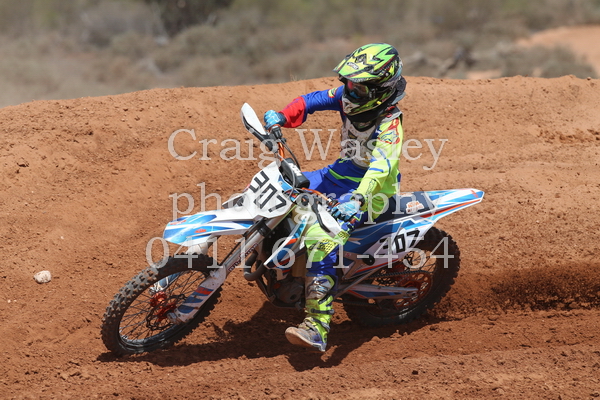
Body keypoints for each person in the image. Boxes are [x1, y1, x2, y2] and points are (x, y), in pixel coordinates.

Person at [263, 43, 406, 352]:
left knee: (322, 239)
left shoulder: (390, 124)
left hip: (372, 193)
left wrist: (357, 200)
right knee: (278, 188)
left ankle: (317, 326)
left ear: (380, 89)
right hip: (340, 173)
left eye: (359, 86)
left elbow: (381, 168)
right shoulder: (348, 97)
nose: (349, 90)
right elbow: (310, 101)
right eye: (348, 83)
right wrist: (282, 117)